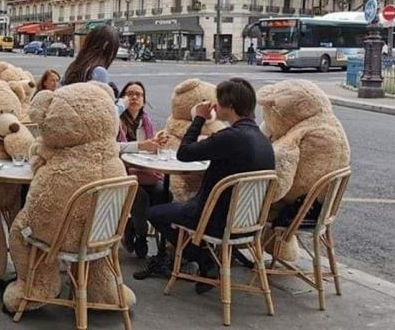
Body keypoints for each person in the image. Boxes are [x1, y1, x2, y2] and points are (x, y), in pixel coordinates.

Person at [135, 78, 275, 287]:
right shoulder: (263, 140)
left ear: (229, 106)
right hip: (249, 223)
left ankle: (204, 259)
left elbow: (184, 153)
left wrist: (199, 118)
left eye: (218, 102)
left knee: (154, 213)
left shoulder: (230, 137)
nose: (215, 106)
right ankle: (207, 259)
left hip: (214, 218)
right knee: (177, 206)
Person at [116, 81, 167, 259]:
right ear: (123, 98)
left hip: (146, 172)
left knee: (163, 192)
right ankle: (141, 236)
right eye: (130, 93)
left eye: (139, 94)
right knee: (140, 196)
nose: (134, 97)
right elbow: (112, 147)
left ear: (144, 101)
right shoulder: (116, 120)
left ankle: (138, 230)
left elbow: (149, 149)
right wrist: (140, 145)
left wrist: (156, 143)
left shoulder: (146, 122)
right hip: (122, 172)